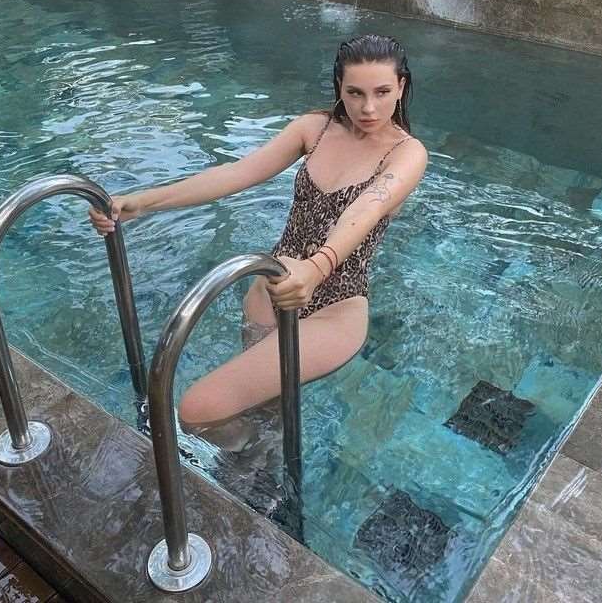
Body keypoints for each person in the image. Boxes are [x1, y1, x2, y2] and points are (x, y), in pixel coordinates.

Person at [89, 34, 427, 446]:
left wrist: (316, 268)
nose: (368, 107)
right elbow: (237, 173)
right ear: (339, 86)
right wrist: (142, 203)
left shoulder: (407, 153)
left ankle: (254, 456)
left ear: (401, 87)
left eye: (382, 92)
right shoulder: (315, 129)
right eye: (355, 92)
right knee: (262, 406)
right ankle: (253, 457)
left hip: (336, 307)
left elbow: (368, 208)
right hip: (271, 290)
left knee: (197, 409)